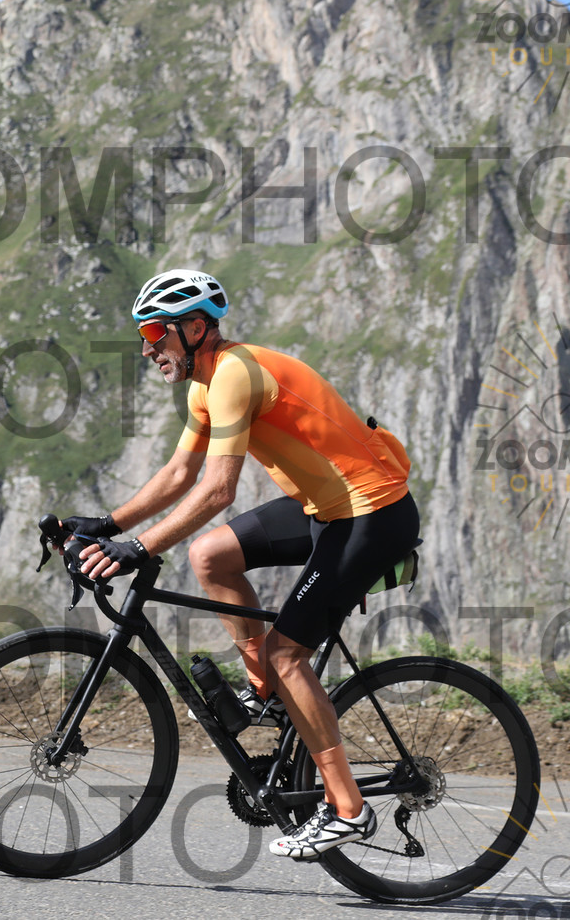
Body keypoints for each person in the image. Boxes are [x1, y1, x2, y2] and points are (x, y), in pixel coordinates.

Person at [70, 268, 420, 860]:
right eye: (142, 336)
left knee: (288, 653)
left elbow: (216, 491)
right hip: (326, 507)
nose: (147, 348)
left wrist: (140, 548)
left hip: (372, 512)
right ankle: (269, 692)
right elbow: (179, 475)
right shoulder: (204, 385)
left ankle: (348, 809)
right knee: (210, 555)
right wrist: (108, 526)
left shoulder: (235, 374)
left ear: (194, 328)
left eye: (154, 332)